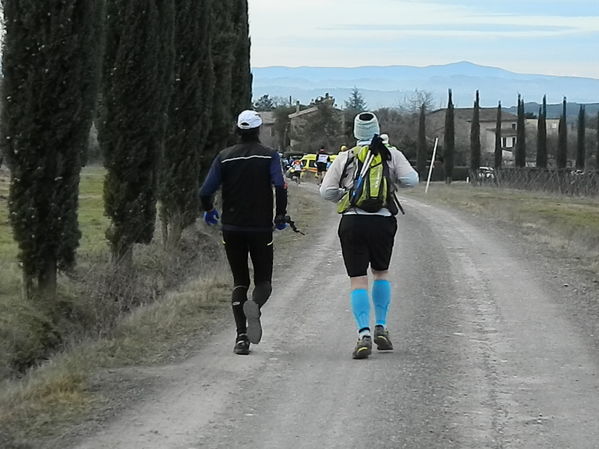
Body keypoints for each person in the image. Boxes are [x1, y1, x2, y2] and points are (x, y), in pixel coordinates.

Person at [319, 112, 419, 359]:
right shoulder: (391, 154)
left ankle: (363, 333)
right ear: (377, 129)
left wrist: (345, 193)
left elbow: (326, 192)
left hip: (352, 221)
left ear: (355, 133)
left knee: (357, 279)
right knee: (381, 273)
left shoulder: (347, 156)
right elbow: (411, 180)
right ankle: (381, 326)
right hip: (383, 222)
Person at [200, 110, 289, 355]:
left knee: (240, 281)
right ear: (259, 130)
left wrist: (208, 211)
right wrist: (280, 215)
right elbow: (280, 186)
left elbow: (205, 191)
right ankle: (255, 305)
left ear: (237, 129)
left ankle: (241, 338)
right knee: (264, 282)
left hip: (232, 227)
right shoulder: (269, 156)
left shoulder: (224, 157)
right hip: (260, 228)